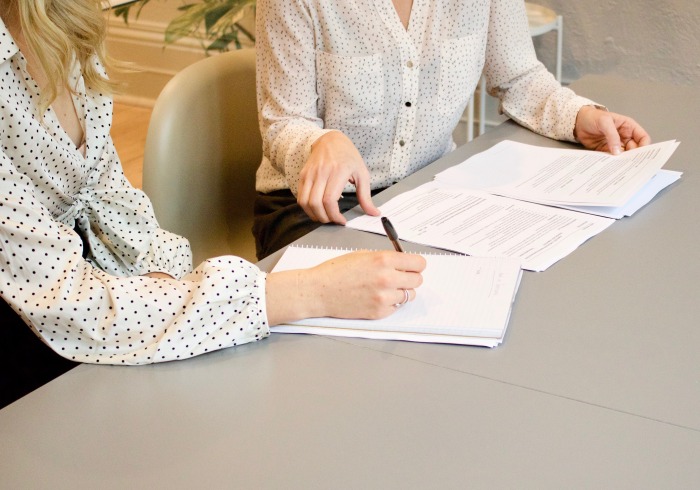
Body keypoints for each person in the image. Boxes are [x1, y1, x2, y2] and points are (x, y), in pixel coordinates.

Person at [0, 0, 426, 408]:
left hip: (99, 314)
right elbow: (72, 304)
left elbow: (111, 201)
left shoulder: (62, 24)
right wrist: (312, 292)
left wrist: (167, 283)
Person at [253, 0, 652, 259]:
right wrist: (321, 143)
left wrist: (580, 116)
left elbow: (518, 77)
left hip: (427, 196)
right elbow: (283, 122)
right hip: (314, 208)